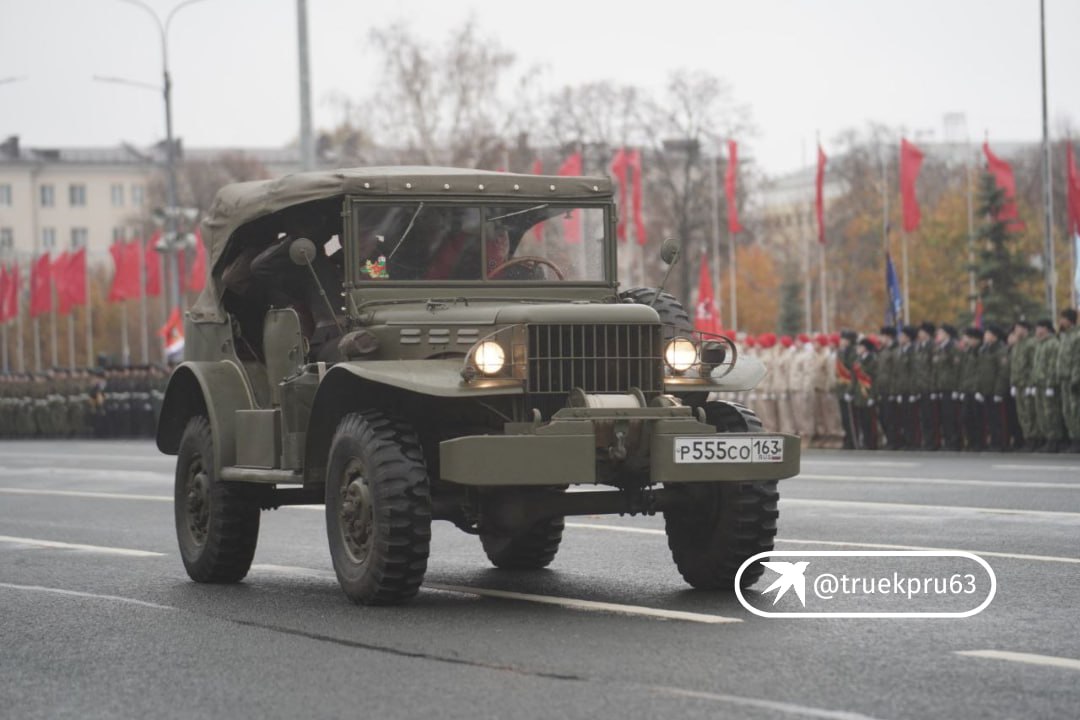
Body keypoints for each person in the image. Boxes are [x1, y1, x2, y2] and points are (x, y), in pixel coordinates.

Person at [1033, 319, 1067, 453]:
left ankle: (1056, 440)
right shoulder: (1040, 344)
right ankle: (1048, 439)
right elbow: (1036, 366)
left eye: (1039, 328)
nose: (1037, 331)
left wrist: (1050, 384)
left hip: (1048, 385)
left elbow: (1053, 366)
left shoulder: (1052, 344)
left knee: (1051, 413)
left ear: (1045, 329)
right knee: (1042, 414)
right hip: (1039, 384)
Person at [977, 325, 1010, 452]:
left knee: (999, 419)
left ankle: (1001, 443)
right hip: (986, 390)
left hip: (996, 390)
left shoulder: (1000, 350)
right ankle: (994, 442)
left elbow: (1002, 372)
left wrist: (998, 391)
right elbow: (981, 371)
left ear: (994, 336)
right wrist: (980, 389)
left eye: (988, 334)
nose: (985, 336)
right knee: (990, 419)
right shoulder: (984, 350)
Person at [1056, 308, 1080, 452]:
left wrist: (1076, 379)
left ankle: (1078, 440)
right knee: (1067, 411)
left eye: (1062, 318)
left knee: (1075, 410)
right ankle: (1073, 439)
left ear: (1069, 320)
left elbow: (1077, 360)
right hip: (1064, 379)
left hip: (1073, 380)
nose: (1060, 321)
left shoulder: (1077, 336)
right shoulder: (1064, 336)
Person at [958, 327, 984, 451]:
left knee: (977, 418)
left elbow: (981, 372)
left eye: (969, 338)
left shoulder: (981, 352)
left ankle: (979, 442)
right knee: (966, 417)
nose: (967, 340)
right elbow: (964, 372)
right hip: (967, 390)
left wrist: (979, 389)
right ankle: (971, 441)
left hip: (977, 390)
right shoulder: (968, 352)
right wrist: (962, 389)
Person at [851, 337, 879, 449]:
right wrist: (851, 392)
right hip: (859, 395)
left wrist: (872, 396)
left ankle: (872, 443)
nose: (858, 349)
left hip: (868, 394)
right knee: (862, 420)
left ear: (866, 348)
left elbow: (875, 379)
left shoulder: (873, 360)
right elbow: (854, 379)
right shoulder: (857, 361)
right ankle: (865, 442)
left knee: (870, 421)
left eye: (860, 346)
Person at [836, 330, 858, 449]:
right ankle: (847, 439)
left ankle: (853, 441)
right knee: (844, 417)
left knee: (851, 418)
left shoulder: (853, 352)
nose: (841, 341)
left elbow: (854, 373)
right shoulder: (841, 352)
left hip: (850, 388)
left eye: (843, 339)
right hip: (841, 388)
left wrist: (850, 390)